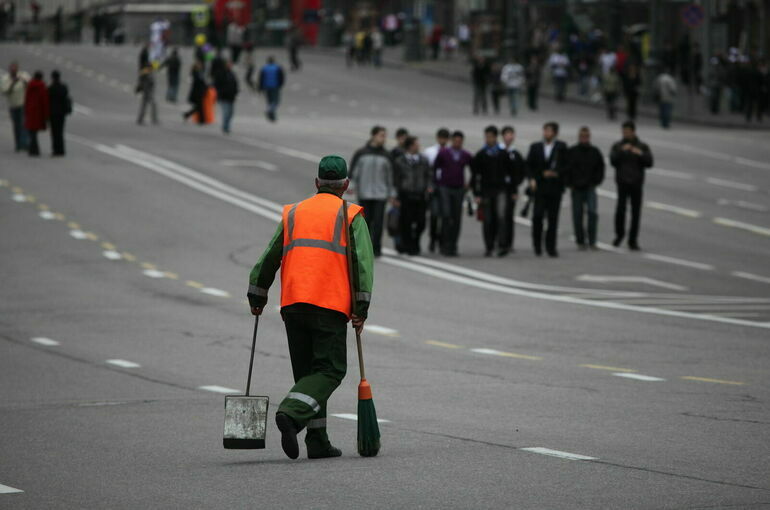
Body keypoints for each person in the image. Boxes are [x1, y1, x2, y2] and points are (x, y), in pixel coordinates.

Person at [247, 155, 374, 460]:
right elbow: (362, 265)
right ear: (346, 185)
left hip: (293, 303)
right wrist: (361, 308)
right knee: (329, 371)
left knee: (308, 375)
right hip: (329, 304)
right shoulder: (351, 214)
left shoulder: (295, 212)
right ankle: (290, 414)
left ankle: (318, 441)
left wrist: (257, 295)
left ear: (317, 183)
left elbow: (269, 256)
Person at [348, 126, 395, 257]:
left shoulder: (387, 155)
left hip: (381, 194)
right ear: (373, 136)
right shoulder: (361, 153)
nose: (384, 138)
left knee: (379, 222)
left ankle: (377, 248)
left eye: (384, 136)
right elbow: (353, 171)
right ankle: (365, 248)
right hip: (364, 193)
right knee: (365, 222)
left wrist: (392, 193)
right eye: (381, 135)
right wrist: (351, 187)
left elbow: (391, 175)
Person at [471, 126, 516, 257]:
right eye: (486, 137)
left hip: (501, 189)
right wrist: (477, 193)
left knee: (501, 217)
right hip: (486, 191)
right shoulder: (481, 154)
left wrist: (513, 190)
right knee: (488, 219)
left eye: (490, 137)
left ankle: (502, 244)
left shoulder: (503, 154)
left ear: (496, 137)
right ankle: (489, 246)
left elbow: (511, 173)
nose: (488, 139)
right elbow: (476, 175)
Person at [609, 121, 653, 251]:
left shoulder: (642, 146)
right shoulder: (618, 146)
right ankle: (619, 235)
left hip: (636, 183)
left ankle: (633, 240)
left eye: (628, 132)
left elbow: (649, 162)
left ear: (633, 132)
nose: (625, 134)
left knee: (635, 213)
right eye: (624, 132)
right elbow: (613, 160)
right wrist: (622, 151)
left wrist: (639, 153)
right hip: (622, 182)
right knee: (620, 211)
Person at [526, 122, 568, 257]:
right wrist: (533, 178)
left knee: (553, 219)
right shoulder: (536, 147)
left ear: (555, 133)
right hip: (540, 187)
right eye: (545, 131)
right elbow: (529, 165)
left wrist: (557, 174)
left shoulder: (561, 147)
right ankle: (537, 245)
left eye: (549, 131)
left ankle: (551, 247)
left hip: (555, 188)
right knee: (537, 216)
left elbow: (567, 165)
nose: (547, 133)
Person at [433, 130, 472, 256]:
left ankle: (453, 245)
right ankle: (444, 244)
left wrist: (469, 184)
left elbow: (474, 169)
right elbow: (435, 168)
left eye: (460, 141)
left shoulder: (465, 155)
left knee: (456, 218)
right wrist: (437, 184)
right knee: (446, 215)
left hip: (459, 188)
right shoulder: (444, 153)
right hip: (445, 187)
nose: (457, 143)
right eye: (455, 141)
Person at [565, 127, 604, 250]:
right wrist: (569, 183)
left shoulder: (594, 151)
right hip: (576, 188)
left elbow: (600, 168)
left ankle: (592, 240)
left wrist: (596, 181)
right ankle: (580, 240)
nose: (584, 138)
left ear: (589, 137)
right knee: (577, 214)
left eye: (586, 136)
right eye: (582, 136)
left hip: (590, 187)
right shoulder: (572, 151)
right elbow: (566, 169)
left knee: (592, 213)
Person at [393, 136, 431, 255]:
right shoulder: (400, 161)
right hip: (405, 195)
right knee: (406, 222)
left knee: (421, 222)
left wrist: (429, 186)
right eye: (416, 144)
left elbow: (429, 175)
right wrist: (395, 196)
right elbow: (396, 179)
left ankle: (416, 241)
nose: (418, 146)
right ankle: (409, 245)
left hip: (420, 195)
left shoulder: (424, 160)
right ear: (410, 146)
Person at [423, 128, 450, 253]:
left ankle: (442, 240)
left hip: (445, 186)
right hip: (433, 186)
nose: (443, 140)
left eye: (445, 138)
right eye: (441, 138)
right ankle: (433, 238)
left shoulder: (449, 152)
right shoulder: (429, 152)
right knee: (434, 215)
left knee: (445, 215)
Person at [499, 125, 526, 250]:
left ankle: (509, 243)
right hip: (498, 189)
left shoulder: (516, 154)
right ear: (503, 136)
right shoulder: (498, 152)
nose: (510, 137)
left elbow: (521, 173)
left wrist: (516, 187)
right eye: (507, 134)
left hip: (511, 189)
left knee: (509, 216)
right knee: (499, 216)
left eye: (512, 134)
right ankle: (499, 241)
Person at [1, 61, 30, 152]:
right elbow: (5, 91)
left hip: (23, 104)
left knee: (24, 124)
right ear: (10, 69)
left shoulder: (23, 75)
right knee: (16, 126)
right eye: (12, 68)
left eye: (15, 68)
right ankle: (18, 144)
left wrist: (23, 81)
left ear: (17, 68)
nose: (13, 70)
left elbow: (30, 85)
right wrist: (13, 83)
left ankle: (24, 143)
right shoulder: (5, 78)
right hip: (13, 105)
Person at [23, 71, 48, 157]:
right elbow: (44, 101)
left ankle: (32, 149)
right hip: (38, 113)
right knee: (34, 132)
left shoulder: (30, 85)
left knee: (31, 132)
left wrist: (25, 109)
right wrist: (46, 115)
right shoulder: (42, 86)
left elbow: (26, 98)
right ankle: (35, 149)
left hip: (30, 111)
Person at [47, 70, 71, 156]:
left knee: (54, 132)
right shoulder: (63, 87)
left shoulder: (51, 88)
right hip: (61, 113)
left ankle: (55, 149)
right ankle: (61, 149)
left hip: (53, 113)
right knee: (60, 132)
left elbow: (47, 100)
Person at [214, 60, 238, 134]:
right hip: (224, 96)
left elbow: (235, 84)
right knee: (226, 112)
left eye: (230, 64)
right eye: (228, 64)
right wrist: (220, 92)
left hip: (231, 96)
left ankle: (226, 126)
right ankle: (225, 127)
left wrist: (236, 92)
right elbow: (216, 84)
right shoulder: (221, 73)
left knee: (231, 113)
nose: (230, 66)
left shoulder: (232, 74)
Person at [258, 56, 284, 122]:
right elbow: (281, 77)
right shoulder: (277, 68)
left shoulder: (264, 68)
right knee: (276, 101)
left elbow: (261, 78)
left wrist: (260, 87)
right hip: (275, 86)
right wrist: (280, 85)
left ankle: (271, 113)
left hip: (266, 86)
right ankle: (270, 112)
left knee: (269, 100)